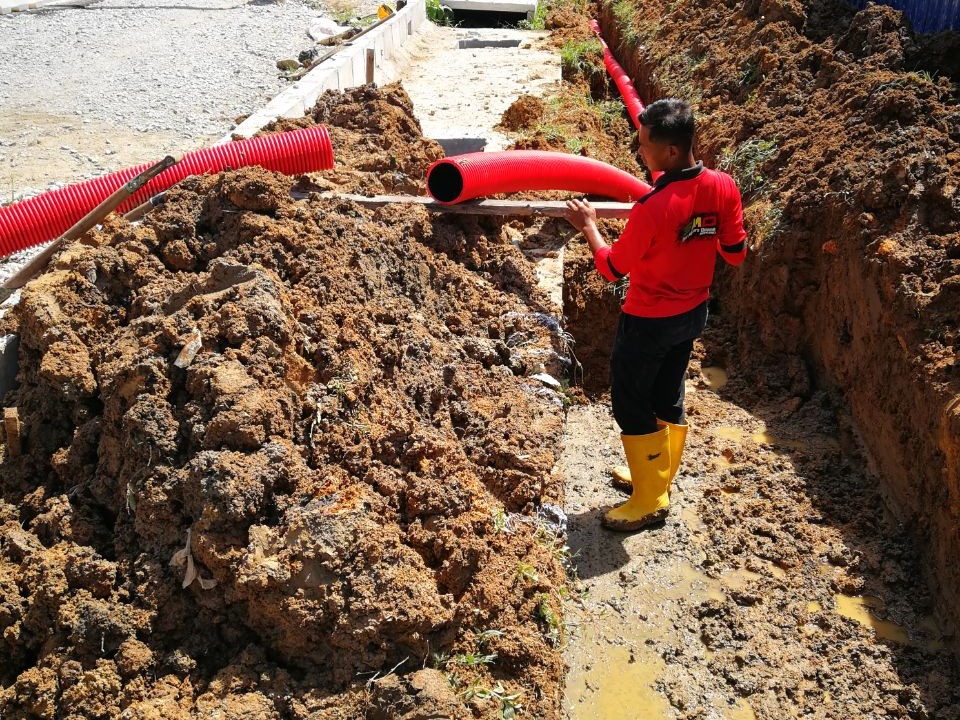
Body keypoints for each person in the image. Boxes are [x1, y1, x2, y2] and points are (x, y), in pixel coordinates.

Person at [563, 98, 747, 531]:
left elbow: (611, 268)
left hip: (648, 320)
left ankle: (649, 499)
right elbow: (735, 255)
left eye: (645, 145)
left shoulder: (653, 207)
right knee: (667, 392)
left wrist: (589, 225)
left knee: (629, 402)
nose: (639, 151)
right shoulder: (724, 186)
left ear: (671, 152)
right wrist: (700, 232)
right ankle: (657, 475)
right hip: (693, 312)